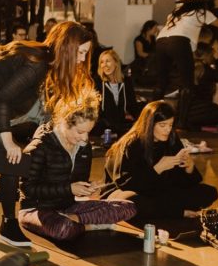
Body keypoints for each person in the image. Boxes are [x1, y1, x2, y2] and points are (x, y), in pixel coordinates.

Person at [0, 21, 93, 247]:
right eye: (81, 52)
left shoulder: (47, 62)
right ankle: (8, 225)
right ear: (68, 48)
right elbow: (3, 100)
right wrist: (8, 141)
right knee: (11, 157)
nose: (83, 59)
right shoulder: (36, 63)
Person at [18, 91, 137, 242]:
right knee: (63, 229)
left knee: (128, 207)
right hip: (36, 210)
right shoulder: (39, 146)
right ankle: (86, 225)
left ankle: (73, 220)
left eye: (88, 132)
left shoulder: (83, 147)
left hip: (68, 207)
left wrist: (88, 187)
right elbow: (27, 189)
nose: (85, 138)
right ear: (64, 122)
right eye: (80, 132)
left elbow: (78, 184)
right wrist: (69, 188)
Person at [104, 101, 218, 226]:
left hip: (160, 194)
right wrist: (157, 169)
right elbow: (128, 186)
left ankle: (166, 210)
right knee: (131, 203)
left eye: (170, 125)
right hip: (133, 193)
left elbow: (183, 184)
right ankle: (178, 212)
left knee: (209, 192)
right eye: (162, 125)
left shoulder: (172, 138)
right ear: (149, 124)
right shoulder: (133, 144)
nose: (167, 130)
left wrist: (189, 168)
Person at [154, 0, 218, 128]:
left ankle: (151, 117)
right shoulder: (201, 12)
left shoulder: (174, 14)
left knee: (160, 83)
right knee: (187, 85)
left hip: (160, 42)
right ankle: (181, 123)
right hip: (179, 42)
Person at [93, 49, 138, 135]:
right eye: (102, 62)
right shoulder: (97, 82)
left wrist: (130, 114)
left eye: (108, 61)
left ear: (116, 62)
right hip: (105, 125)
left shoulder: (126, 82)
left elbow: (132, 104)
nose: (105, 65)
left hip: (121, 123)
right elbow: (97, 110)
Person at [130, 20, 158, 84]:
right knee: (153, 58)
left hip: (151, 59)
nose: (156, 30)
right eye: (155, 28)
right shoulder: (139, 39)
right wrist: (151, 55)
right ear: (148, 28)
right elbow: (140, 53)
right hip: (142, 60)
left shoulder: (153, 38)